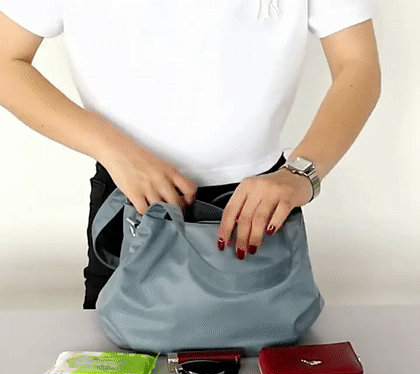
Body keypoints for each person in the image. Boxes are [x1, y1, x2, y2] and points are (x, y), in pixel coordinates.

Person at [0, 1, 381, 309]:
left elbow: (358, 65)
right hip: (131, 197)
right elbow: (6, 60)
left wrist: (301, 173)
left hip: (258, 204)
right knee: (118, 371)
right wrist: (116, 151)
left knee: (267, 372)